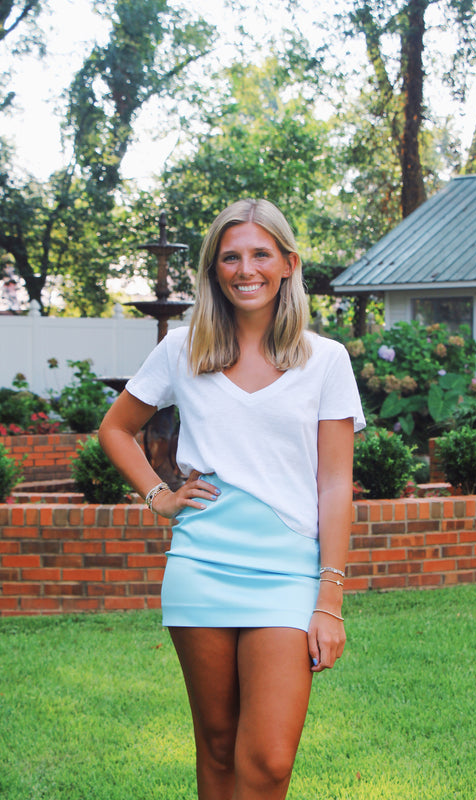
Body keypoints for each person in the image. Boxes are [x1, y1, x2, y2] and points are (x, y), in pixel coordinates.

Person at [98, 198, 365, 800]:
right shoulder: (182, 349)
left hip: (289, 571)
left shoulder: (326, 360)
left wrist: (329, 599)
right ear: (215, 270)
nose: (247, 270)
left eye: (261, 255)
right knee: (217, 746)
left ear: (289, 263)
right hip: (201, 565)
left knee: (268, 760)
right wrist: (158, 496)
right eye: (231, 257)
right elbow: (115, 428)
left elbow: (334, 483)